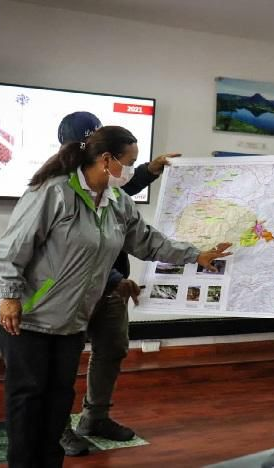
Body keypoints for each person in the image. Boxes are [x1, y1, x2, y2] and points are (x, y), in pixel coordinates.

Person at [0, 125, 231, 467]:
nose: (130, 170)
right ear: (106, 160)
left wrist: (196, 255)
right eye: (128, 163)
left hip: (72, 320)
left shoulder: (118, 202)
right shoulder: (55, 192)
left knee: (59, 399)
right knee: (28, 398)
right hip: (28, 315)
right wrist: (10, 296)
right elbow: (11, 249)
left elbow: (148, 242)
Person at [54, 113, 182, 456]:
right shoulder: (58, 187)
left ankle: (95, 418)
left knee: (112, 349)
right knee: (62, 361)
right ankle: (57, 427)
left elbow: (123, 194)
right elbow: (69, 253)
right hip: (69, 293)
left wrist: (150, 170)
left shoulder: (110, 188)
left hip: (111, 286)